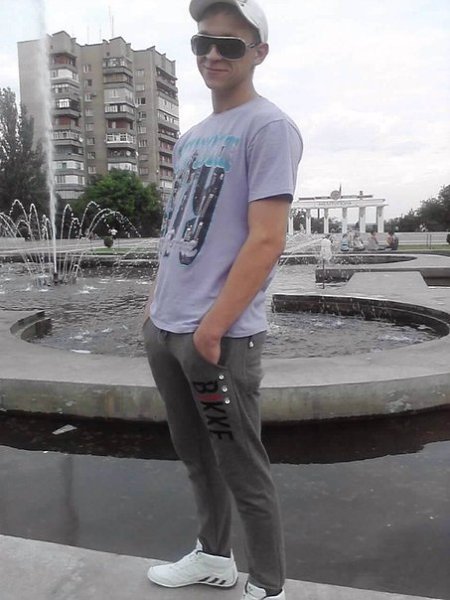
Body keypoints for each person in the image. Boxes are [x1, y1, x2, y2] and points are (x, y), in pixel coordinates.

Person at [142, 2, 303, 599]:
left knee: (240, 463)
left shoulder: (269, 127)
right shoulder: (191, 138)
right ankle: (213, 557)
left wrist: (211, 328)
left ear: (258, 53)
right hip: (167, 328)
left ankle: (267, 583)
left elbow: (267, 239)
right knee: (196, 457)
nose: (212, 54)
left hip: (219, 337)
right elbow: (180, 230)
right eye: (202, 42)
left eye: (230, 45)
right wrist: (154, 308)